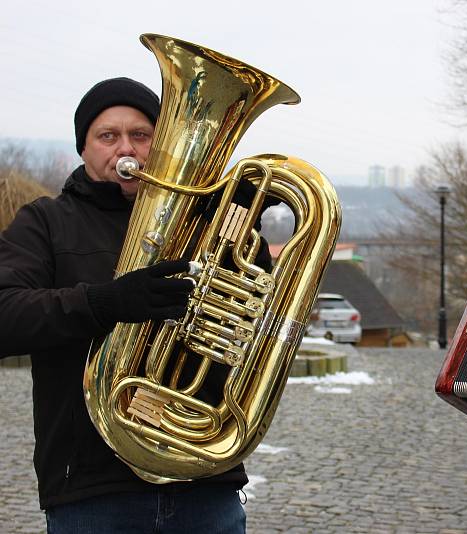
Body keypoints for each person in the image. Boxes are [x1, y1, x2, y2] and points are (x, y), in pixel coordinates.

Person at [0, 77, 271, 533]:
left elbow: (251, 323)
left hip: (204, 479)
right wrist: (108, 302)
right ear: (84, 149)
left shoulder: (204, 221)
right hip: (92, 491)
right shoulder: (45, 222)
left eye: (141, 135)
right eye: (108, 136)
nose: (125, 148)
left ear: (161, 144)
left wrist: (242, 229)